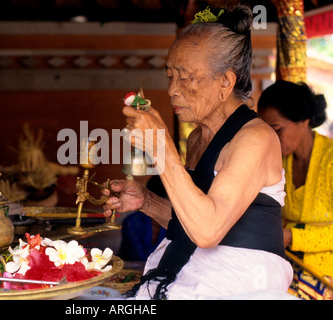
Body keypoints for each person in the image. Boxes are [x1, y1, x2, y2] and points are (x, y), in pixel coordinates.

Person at [102, 5, 293, 300]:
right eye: (170, 77)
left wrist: (161, 147)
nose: (172, 91)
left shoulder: (257, 137)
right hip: (193, 274)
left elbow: (207, 232)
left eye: (185, 77)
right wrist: (147, 201)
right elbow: (191, 221)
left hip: (240, 282)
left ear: (225, 83)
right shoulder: (197, 139)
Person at [258, 80, 333, 300]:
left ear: (303, 120)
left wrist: (292, 236)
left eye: (277, 129)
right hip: (287, 266)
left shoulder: (330, 161)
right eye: (267, 131)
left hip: (324, 274)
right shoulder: (277, 161)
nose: (272, 138)